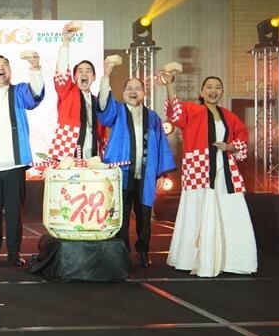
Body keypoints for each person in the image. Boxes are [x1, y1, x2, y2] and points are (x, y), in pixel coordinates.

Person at [162, 74, 257, 277]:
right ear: (202, 91)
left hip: (225, 169)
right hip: (198, 167)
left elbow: (243, 136)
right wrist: (170, 86)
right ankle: (195, 258)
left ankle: (231, 259)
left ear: (221, 91)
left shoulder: (229, 115)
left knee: (231, 209)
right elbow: (175, 114)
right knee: (197, 210)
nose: (213, 91)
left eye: (218, 87)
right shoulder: (192, 109)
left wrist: (231, 146)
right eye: (209, 87)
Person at [0, 52, 45, 267]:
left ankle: (14, 252)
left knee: (14, 211)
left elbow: (36, 95)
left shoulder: (19, 91)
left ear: (10, 71)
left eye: (5, 65)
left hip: (15, 163)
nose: (1, 68)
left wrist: (35, 68)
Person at [97, 67, 176, 267]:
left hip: (146, 172)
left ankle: (142, 251)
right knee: (121, 216)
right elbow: (103, 106)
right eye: (129, 88)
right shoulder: (116, 111)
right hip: (122, 173)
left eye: (138, 88)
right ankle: (122, 253)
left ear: (144, 93)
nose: (133, 91)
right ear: (123, 94)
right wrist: (106, 76)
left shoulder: (154, 118)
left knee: (144, 214)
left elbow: (161, 145)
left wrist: (161, 173)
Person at [48, 24, 107, 161]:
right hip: (67, 152)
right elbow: (62, 71)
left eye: (88, 71)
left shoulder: (97, 101)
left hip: (93, 153)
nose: (84, 74)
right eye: (80, 71)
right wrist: (66, 43)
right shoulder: (68, 92)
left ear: (93, 77)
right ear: (74, 78)